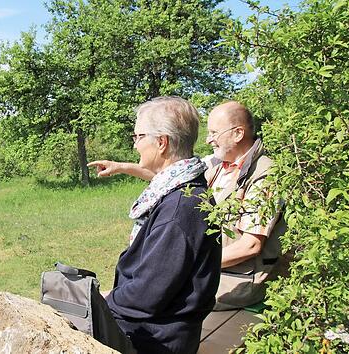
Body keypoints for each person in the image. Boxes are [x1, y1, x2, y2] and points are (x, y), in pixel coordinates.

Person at [89, 100, 285, 311]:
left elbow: (251, 245)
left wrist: (191, 266)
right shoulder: (216, 164)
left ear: (238, 133)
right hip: (209, 273)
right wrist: (121, 167)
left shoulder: (265, 175)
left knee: (158, 295)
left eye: (214, 132)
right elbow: (168, 176)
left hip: (236, 282)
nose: (209, 139)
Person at [98, 96, 221, 354]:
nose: (135, 145)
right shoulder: (185, 187)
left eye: (138, 136)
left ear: (162, 142)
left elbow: (147, 295)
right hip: (157, 325)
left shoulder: (179, 209)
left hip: (156, 339)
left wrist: (104, 301)